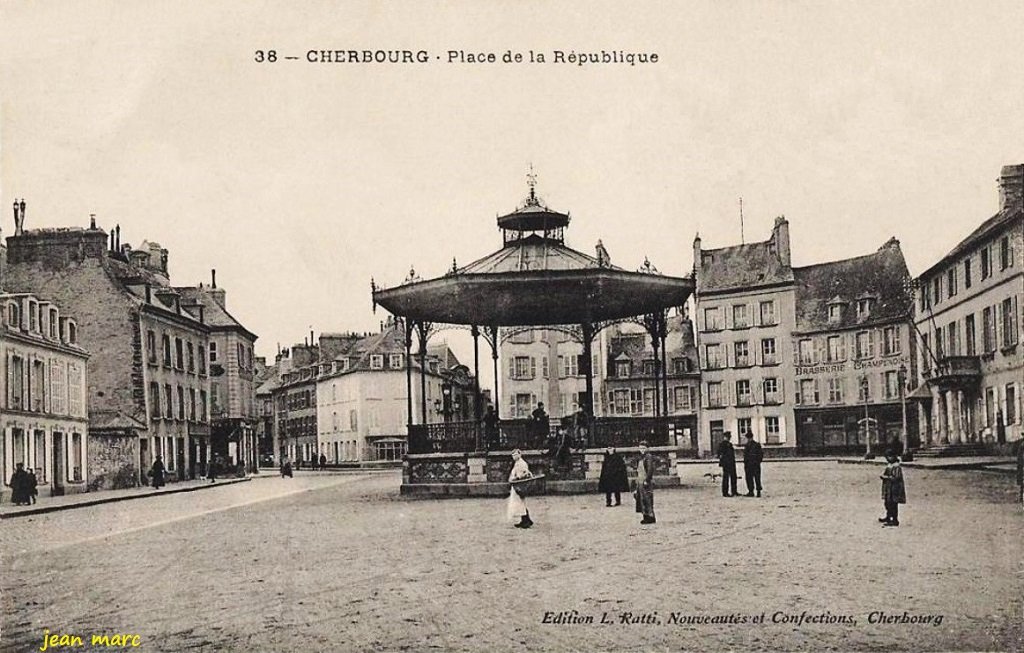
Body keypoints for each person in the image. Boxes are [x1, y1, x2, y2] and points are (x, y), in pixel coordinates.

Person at [507, 449, 534, 528]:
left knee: (520, 502)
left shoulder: (522, 463)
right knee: (519, 503)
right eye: (513, 455)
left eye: (516, 455)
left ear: (519, 454)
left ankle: (526, 520)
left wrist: (517, 478)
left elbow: (524, 473)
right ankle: (525, 519)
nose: (514, 457)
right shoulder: (517, 463)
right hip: (516, 485)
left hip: (519, 485)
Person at [879, 452, 907, 527]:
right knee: (887, 503)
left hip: (895, 488)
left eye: (889, 457)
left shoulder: (896, 466)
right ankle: (888, 516)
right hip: (889, 487)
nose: (888, 459)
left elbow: (896, 478)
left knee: (893, 504)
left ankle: (895, 520)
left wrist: (886, 478)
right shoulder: (890, 465)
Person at [635, 441, 656, 524]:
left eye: (644, 448)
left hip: (645, 481)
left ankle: (650, 516)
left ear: (647, 448)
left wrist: (647, 480)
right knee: (642, 499)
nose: (642, 450)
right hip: (640, 480)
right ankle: (645, 515)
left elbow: (650, 469)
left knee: (647, 499)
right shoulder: (641, 457)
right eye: (640, 448)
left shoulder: (648, 457)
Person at [717, 432, 738, 497]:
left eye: (729, 437)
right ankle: (725, 492)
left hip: (731, 463)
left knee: (733, 477)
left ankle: (734, 491)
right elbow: (719, 454)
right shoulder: (722, 444)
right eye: (728, 437)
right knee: (726, 478)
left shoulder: (730, 444)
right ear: (725, 437)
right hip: (726, 464)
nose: (729, 438)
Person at [743, 432, 763, 497]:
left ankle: (754, 492)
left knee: (753, 478)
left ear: (749, 438)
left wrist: (757, 461)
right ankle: (754, 491)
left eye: (747, 438)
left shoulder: (752, 445)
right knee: (753, 478)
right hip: (752, 465)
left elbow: (760, 455)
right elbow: (760, 454)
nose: (747, 439)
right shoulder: (754, 445)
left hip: (752, 464)